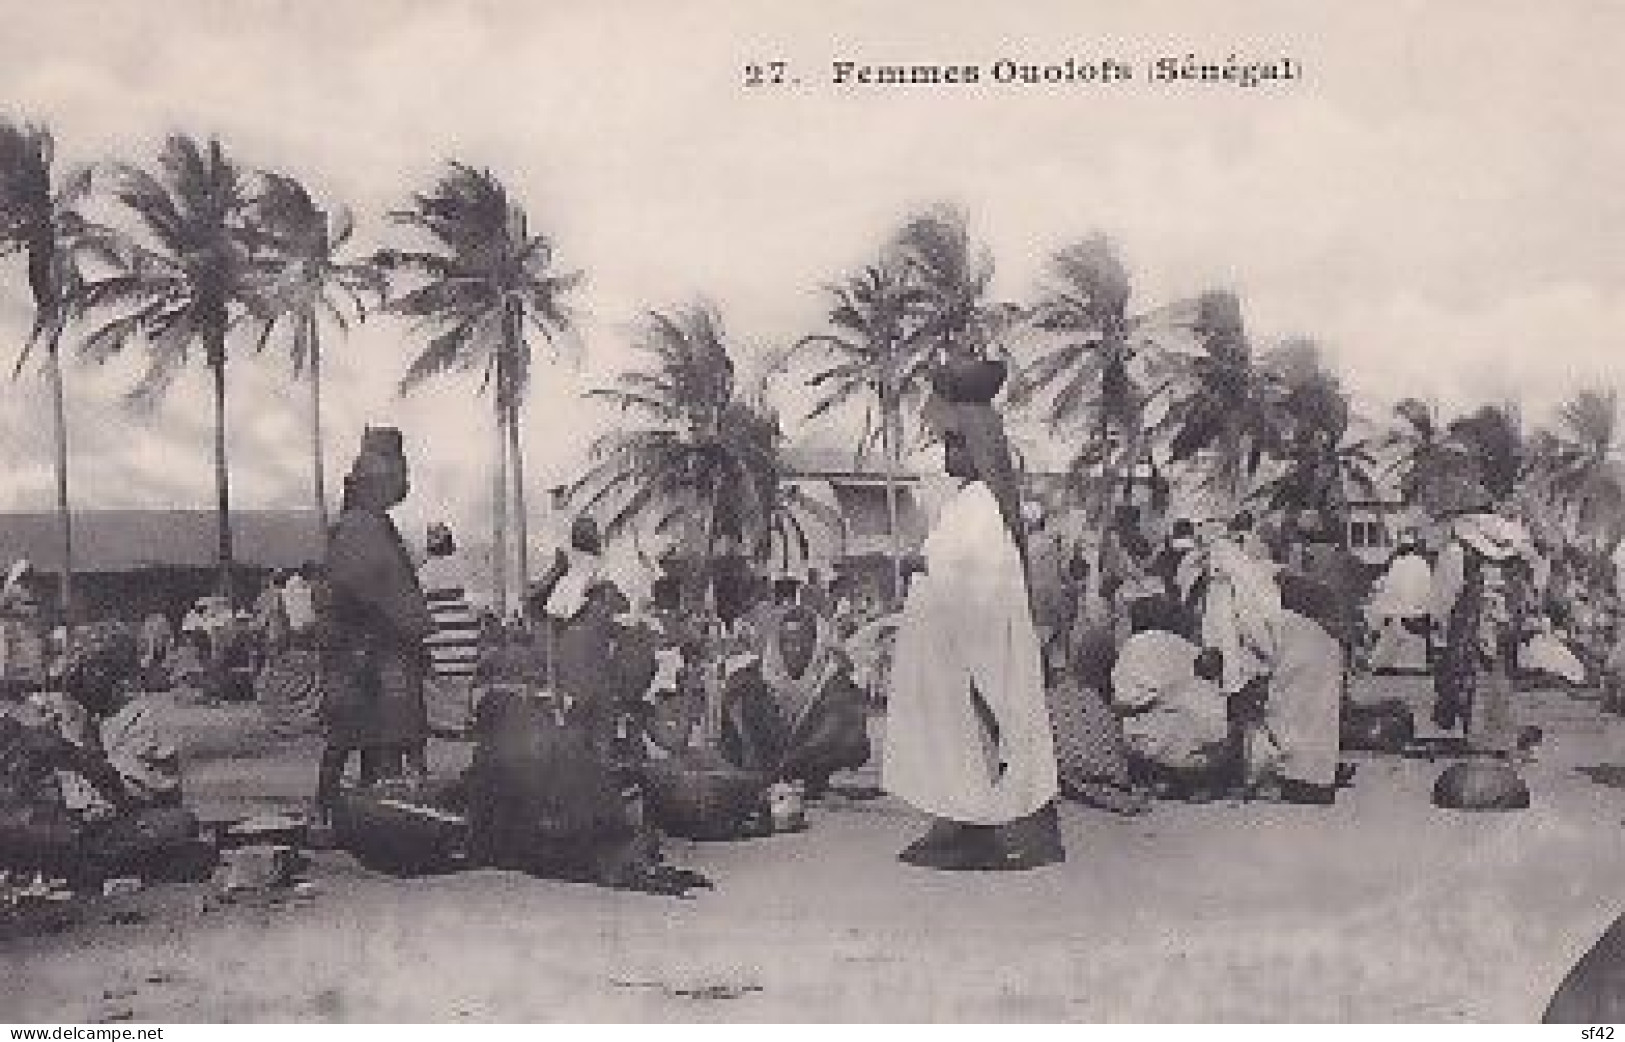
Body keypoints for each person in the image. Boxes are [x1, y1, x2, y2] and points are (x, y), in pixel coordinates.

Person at [883, 364, 1062, 871]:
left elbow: (979, 583)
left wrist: (926, 566)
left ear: (977, 445)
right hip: (953, 652)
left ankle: (986, 826)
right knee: (953, 741)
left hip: (972, 653)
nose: (946, 454)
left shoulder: (983, 505)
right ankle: (960, 819)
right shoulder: (969, 503)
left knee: (977, 739)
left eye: (955, 444)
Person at [315, 427, 436, 827]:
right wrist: (409, 626)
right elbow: (375, 586)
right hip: (360, 650)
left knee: (367, 736)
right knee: (355, 734)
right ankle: (333, 810)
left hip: (367, 648)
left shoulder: (369, 525)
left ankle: (358, 815)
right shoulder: (360, 528)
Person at [719, 604, 871, 798]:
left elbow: (835, 728)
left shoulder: (832, 678)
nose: (796, 650)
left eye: (804, 643)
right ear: (777, 644)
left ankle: (808, 777)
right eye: (788, 642)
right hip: (767, 758)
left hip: (809, 757)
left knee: (851, 733)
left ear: (816, 643)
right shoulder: (756, 676)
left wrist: (794, 760)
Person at [1111, 597, 1232, 800]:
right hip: (1182, 736)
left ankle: (1158, 778)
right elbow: (1209, 671)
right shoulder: (1180, 645)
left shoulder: (1130, 646)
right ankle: (1190, 781)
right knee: (1198, 704)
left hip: (1136, 733)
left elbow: (1121, 698)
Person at [1431, 509, 1531, 754]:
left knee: (1469, 677)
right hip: (1502, 624)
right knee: (1499, 679)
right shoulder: (1512, 562)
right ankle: (1500, 735)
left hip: (1471, 624)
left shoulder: (1457, 554)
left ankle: (1479, 736)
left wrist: (1438, 624)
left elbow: (1443, 597)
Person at [419, 522, 482, 735]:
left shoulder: (424, 571)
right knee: (462, 680)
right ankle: (459, 722)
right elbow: (476, 604)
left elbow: (419, 603)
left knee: (440, 679)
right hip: (463, 633)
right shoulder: (463, 566)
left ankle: (443, 723)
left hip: (437, 634)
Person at [1367, 531, 1434, 674]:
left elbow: (1387, 593)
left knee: (1386, 626)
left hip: (1396, 618)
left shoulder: (1396, 563)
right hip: (1418, 617)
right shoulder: (1424, 564)